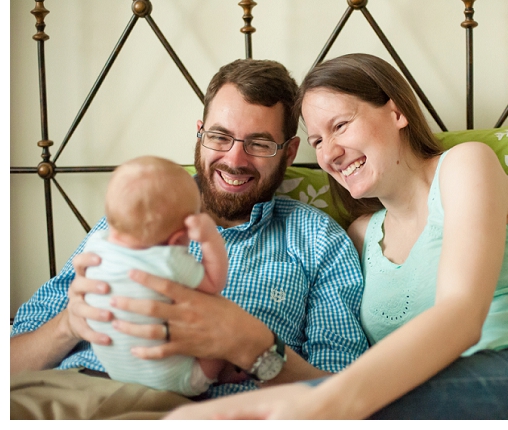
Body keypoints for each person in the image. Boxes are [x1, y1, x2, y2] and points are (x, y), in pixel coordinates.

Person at [166, 53, 508, 420]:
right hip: (427, 394)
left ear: (396, 112)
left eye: (340, 126)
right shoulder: (359, 236)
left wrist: (318, 404)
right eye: (317, 140)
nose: (330, 153)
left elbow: (463, 315)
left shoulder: (466, 166)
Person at [10, 59, 368, 419]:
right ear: (201, 133)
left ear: (288, 152)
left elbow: (340, 396)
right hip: (61, 394)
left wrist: (253, 348)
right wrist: (68, 325)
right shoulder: (135, 216)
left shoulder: (319, 240)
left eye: (259, 144)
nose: (234, 159)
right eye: (219, 136)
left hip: (193, 411)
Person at [83, 155, 232, 396]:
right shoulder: (168, 260)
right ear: (176, 239)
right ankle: (221, 373)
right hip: (175, 380)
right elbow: (215, 283)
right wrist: (209, 238)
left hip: (114, 372)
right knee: (221, 347)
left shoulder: (95, 245)